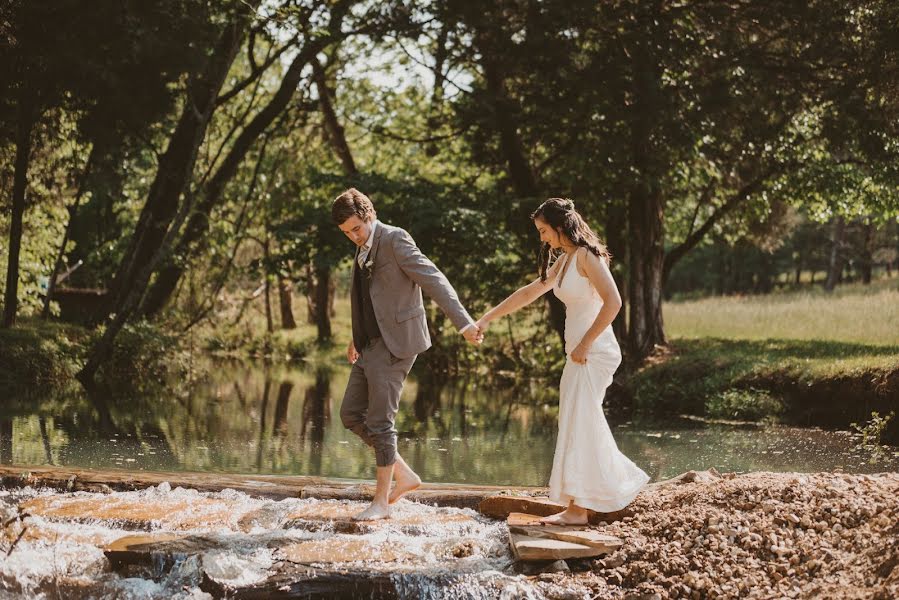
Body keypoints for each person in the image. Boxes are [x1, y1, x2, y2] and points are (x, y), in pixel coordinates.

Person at [476, 198, 648, 525]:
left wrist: (585, 343)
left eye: (543, 231)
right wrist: (488, 318)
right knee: (574, 419)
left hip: (593, 351)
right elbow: (529, 292)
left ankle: (582, 508)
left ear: (559, 227)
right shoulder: (565, 260)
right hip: (578, 352)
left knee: (581, 420)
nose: (542, 238)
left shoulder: (586, 256)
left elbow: (613, 302)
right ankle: (584, 501)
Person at [332, 188, 482, 521]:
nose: (354, 236)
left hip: (398, 342)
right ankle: (406, 475)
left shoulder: (395, 239)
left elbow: (434, 280)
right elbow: (366, 298)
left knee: (380, 421)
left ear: (369, 214)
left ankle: (381, 503)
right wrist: (355, 337)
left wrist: (464, 323)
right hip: (370, 344)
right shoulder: (361, 249)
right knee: (351, 415)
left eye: (357, 228)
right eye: (347, 233)